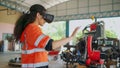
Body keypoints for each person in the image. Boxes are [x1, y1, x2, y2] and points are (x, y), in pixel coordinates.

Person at [14, 4, 80, 68]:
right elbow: (50, 45)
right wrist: (71, 37)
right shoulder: (32, 29)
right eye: (44, 16)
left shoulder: (29, 29)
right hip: (36, 66)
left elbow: (45, 47)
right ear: (38, 15)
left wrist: (58, 44)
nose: (45, 20)